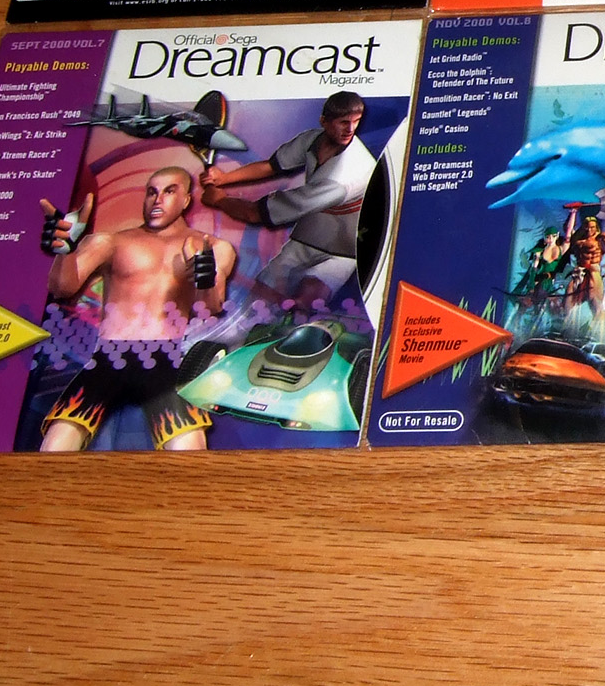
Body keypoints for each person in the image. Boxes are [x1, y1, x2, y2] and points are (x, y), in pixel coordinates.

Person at [37, 166, 237, 451]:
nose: (158, 200)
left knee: (191, 452)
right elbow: (63, 288)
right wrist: (65, 251)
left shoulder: (213, 247)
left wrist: (203, 278)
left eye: (169, 191)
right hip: (109, 355)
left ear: (186, 200)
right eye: (151, 192)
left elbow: (211, 306)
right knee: (54, 446)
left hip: (165, 359)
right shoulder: (112, 241)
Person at [200, 91, 372, 310]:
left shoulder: (340, 180)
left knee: (305, 303)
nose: (350, 129)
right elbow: (272, 167)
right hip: (309, 236)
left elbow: (255, 213)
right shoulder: (312, 139)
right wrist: (224, 178)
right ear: (324, 122)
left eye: (356, 122)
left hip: (347, 248)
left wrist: (219, 200)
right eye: (344, 122)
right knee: (257, 300)